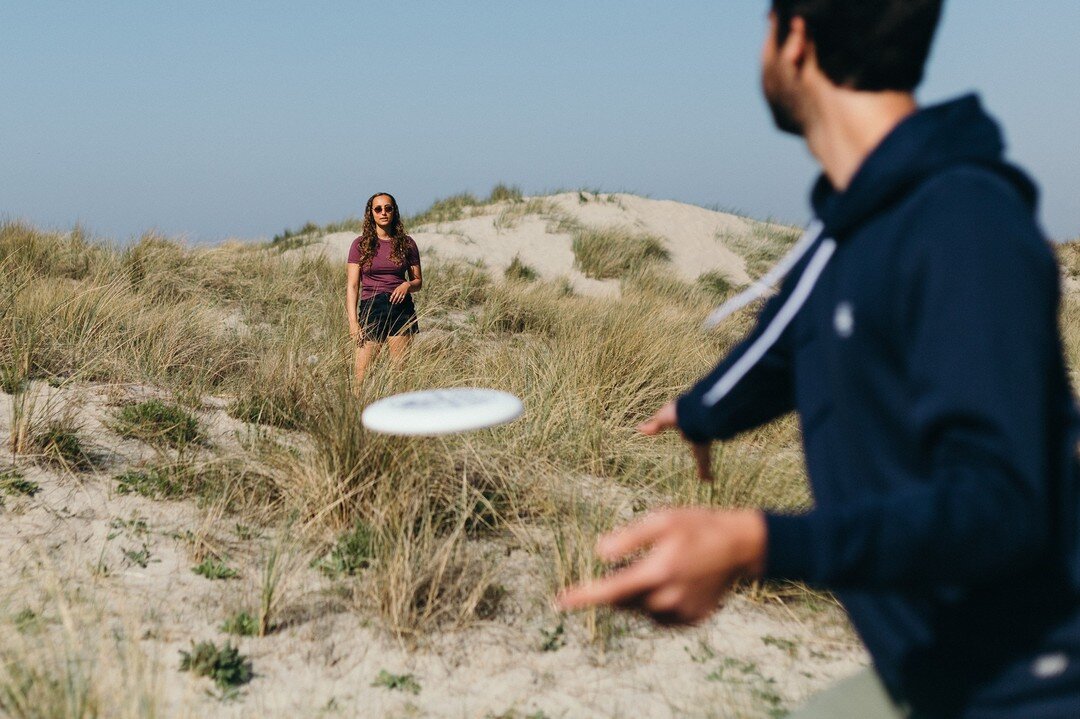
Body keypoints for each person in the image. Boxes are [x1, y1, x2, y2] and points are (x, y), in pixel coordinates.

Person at [558, 1, 1080, 716]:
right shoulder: (856, 221)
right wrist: (704, 412)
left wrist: (756, 543)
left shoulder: (963, 223)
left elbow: (996, 505)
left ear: (796, 38)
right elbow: (789, 342)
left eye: (765, 24)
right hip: (933, 671)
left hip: (1031, 684)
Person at [346, 192, 422, 385]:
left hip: (401, 308)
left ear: (394, 211)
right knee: (361, 375)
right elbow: (353, 286)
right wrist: (353, 322)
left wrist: (407, 285)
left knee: (400, 373)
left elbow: (418, 282)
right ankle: (357, 414)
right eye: (378, 209)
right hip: (372, 308)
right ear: (370, 213)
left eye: (388, 208)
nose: (383, 213)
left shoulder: (407, 243)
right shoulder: (360, 244)